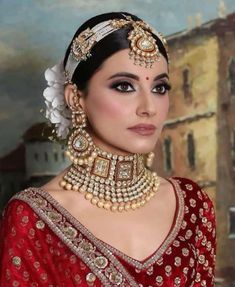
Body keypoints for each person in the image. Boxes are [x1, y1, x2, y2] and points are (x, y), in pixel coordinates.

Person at [0, 12, 216, 287]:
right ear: (76, 98)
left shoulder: (192, 205)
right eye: (124, 86)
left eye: (160, 87)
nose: (148, 107)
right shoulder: (33, 218)